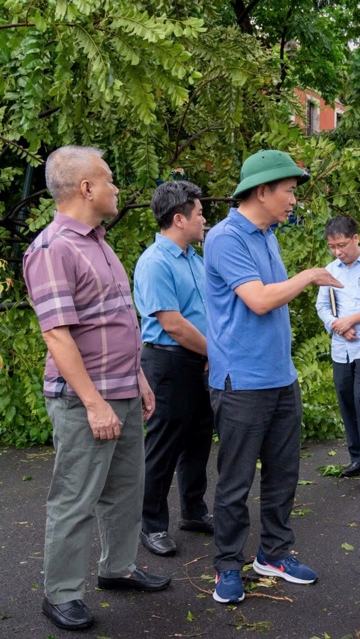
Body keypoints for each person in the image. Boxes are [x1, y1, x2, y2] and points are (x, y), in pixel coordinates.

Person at [23, 146, 171, 632]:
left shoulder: (97, 242)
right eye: (108, 179)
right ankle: (61, 594)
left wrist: (139, 379)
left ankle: (118, 568)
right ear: (85, 187)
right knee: (76, 497)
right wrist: (93, 403)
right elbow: (57, 334)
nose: (115, 187)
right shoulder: (52, 249)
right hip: (86, 399)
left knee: (127, 489)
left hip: (123, 390)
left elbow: (116, 320)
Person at [204, 150, 343, 604]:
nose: (293, 200)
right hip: (241, 382)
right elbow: (260, 300)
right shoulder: (226, 238)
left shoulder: (267, 235)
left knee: (284, 475)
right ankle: (228, 564)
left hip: (280, 379)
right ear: (261, 191)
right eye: (288, 190)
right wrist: (309, 276)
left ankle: (274, 554)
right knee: (235, 481)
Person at [133, 180, 214, 557]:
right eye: (199, 214)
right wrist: (215, 351)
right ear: (179, 219)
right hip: (168, 361)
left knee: (198, 437)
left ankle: (194, 511)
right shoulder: (155, 261)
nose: (204, 220)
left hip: (198, 359)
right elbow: (173, 324)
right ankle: (150, 525)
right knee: (164, 446)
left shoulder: (194, 260)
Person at [315, 216, 360, 483]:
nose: (338, 252)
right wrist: (338, 325)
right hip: (341, 346)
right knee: (346, 398)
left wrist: (352, 320)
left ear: (356, 238)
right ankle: (356, 456)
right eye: (332, 247)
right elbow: (322, 306)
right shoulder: (329, 269)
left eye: (342, 245)